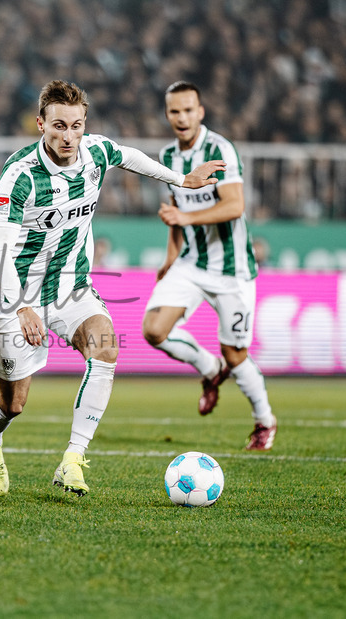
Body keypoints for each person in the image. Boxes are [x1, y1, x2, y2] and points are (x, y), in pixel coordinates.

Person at [0, 79, 224, 498]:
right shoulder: (18, 178)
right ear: (40, 124)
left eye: (76, 125)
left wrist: (182, 180)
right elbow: (0, 250)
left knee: (106, 347)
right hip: (18, 293)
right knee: (13, 404)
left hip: (72, 284)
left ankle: (73, 459)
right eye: (58, 126)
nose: (68, 135)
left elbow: (130, 158)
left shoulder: (96, 150)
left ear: (84, 123)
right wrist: (20, 307)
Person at [141, 81, 277, 451]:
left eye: (188, 110)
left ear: (200, 112)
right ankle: (209, 368)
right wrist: (170, 258)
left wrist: (186, 220)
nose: (181, 117)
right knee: (154, 330)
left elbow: (234, 206)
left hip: (232, 270)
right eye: (174, 111)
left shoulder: (221, 149)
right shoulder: (167, 155)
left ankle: (264, 421)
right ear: (167, 114)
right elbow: (175, 214)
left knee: (236, 355)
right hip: (190, 263)